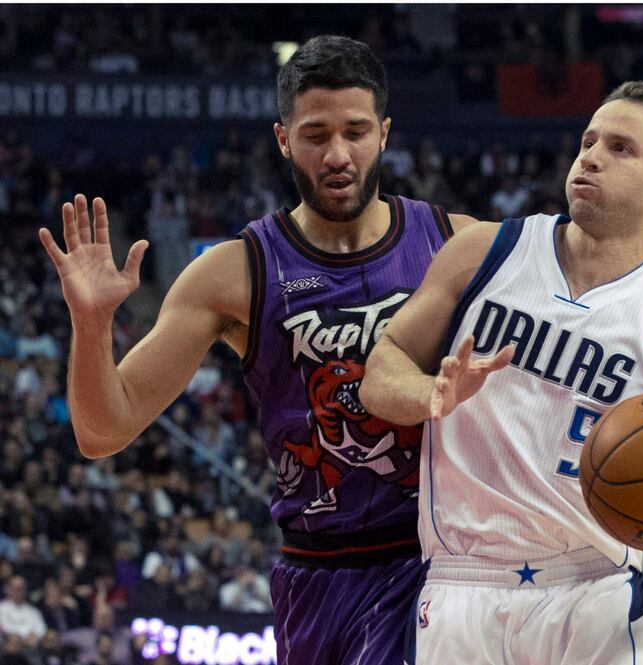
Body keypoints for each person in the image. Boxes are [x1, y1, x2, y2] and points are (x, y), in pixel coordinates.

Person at [39, 35, 477, 665]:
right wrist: (90, 322)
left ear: (384, 132)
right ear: (282, 139)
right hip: (319, 573)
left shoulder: (454, 244)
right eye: (315, 134)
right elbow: (102, 432)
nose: (337, 154)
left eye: (355, 131)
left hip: (441, 562)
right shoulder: (234, 271)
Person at [360, 81, 643, 664]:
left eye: (621, 148)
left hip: (596, 588)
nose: (590, 155)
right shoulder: (484, 253)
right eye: (588, 140)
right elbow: (378, 374)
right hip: (463, 581)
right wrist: (428, 393)